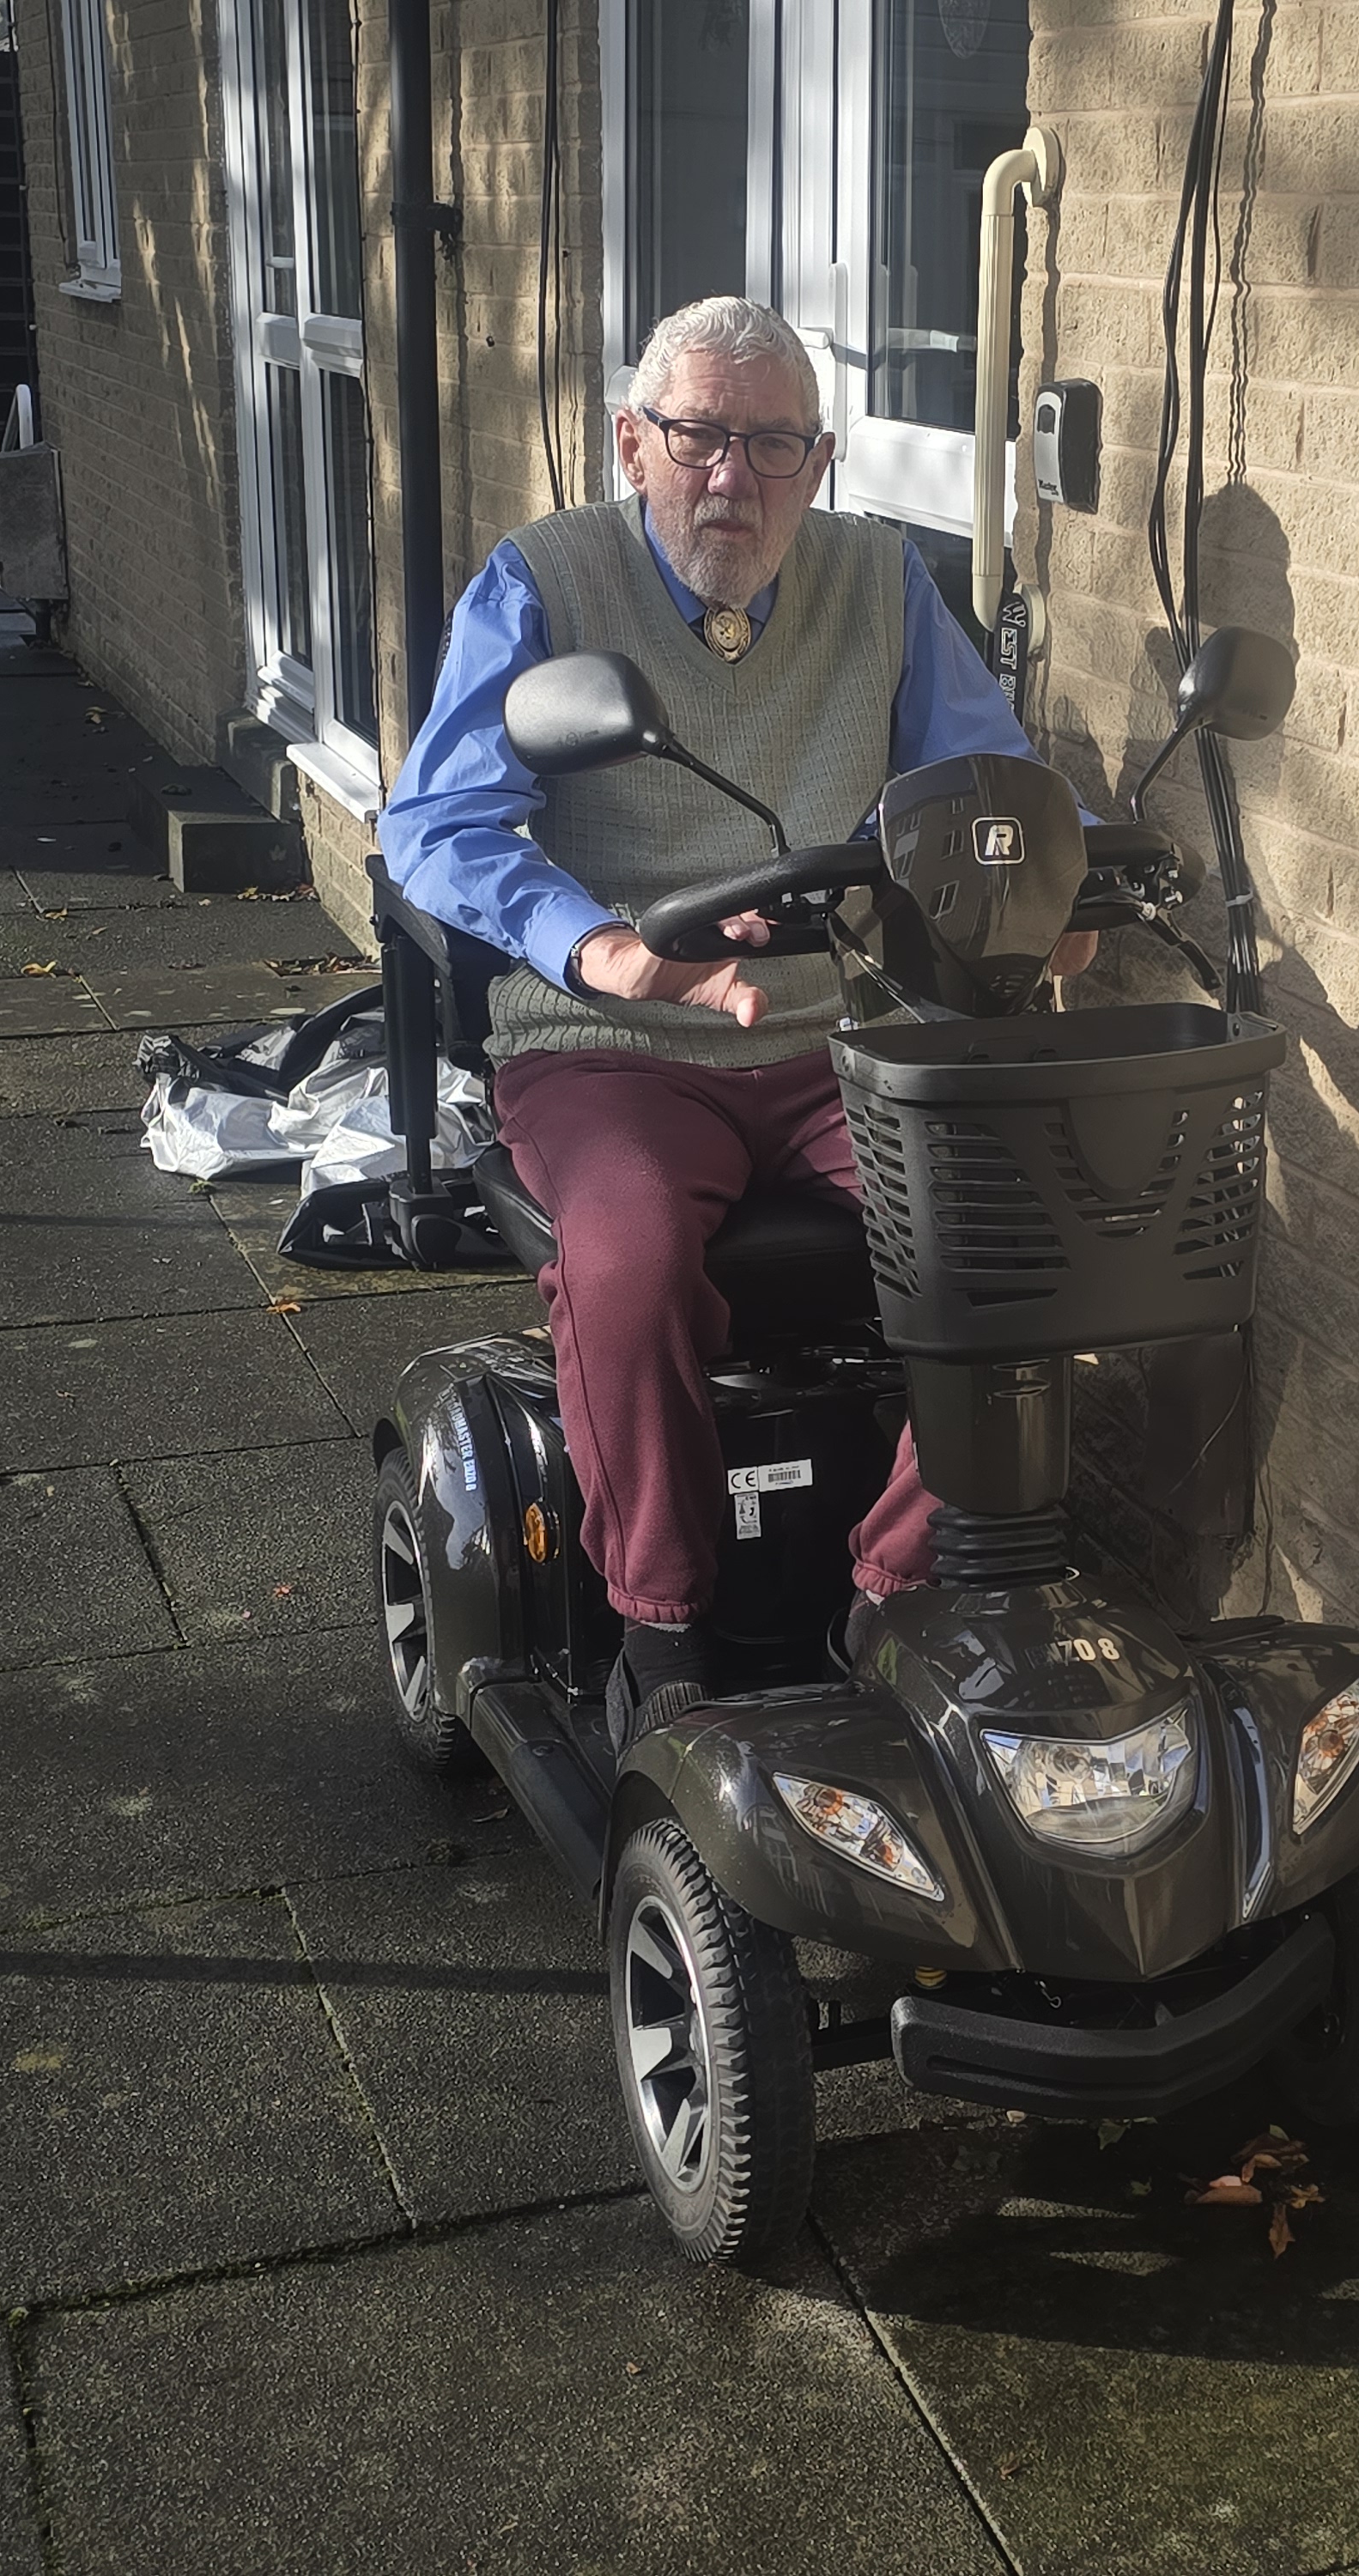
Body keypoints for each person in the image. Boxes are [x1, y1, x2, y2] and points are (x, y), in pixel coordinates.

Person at [378, 295, 1089, 1744]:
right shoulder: (547, 580)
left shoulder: (878, 580)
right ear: (633, 441)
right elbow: (436, 825)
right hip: (610, 1048)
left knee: (1020, 1234)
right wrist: (606, 950)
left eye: (772, 442)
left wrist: (1062, 874)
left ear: (818, 461)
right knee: (629, 1251)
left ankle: (887, 1594)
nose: (733, 476)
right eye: (699, 435)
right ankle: (660, 1618)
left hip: (831, 1033)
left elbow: (986, 774)